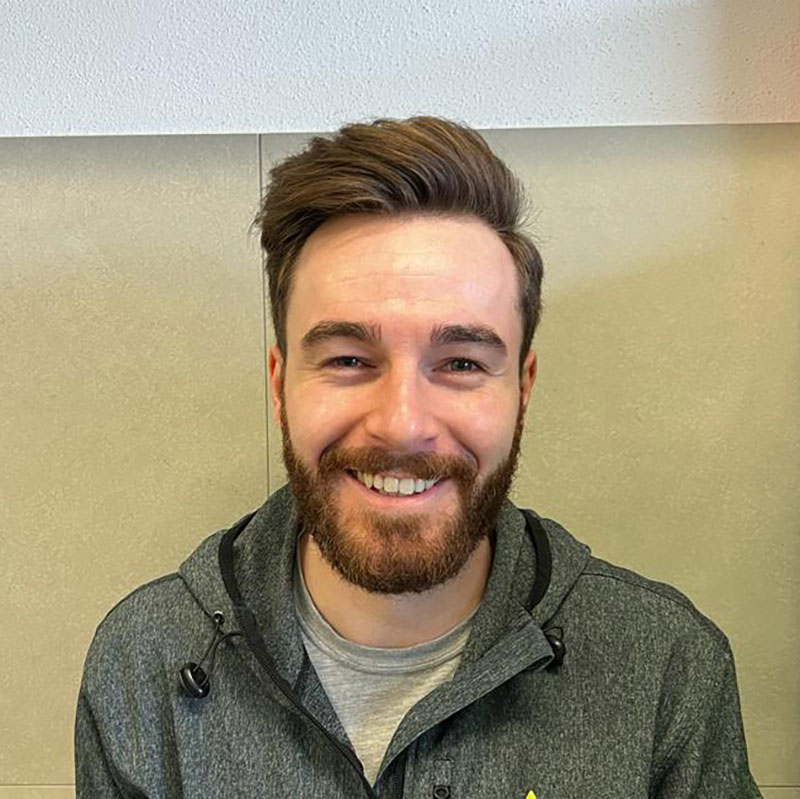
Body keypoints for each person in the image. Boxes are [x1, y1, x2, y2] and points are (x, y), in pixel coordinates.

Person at [75, 116, 762, 798]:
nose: (402, 425)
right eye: (348, 359)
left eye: (461, 363)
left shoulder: (666, 668)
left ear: (521, 389)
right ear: (280, 385)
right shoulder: (143, 663)